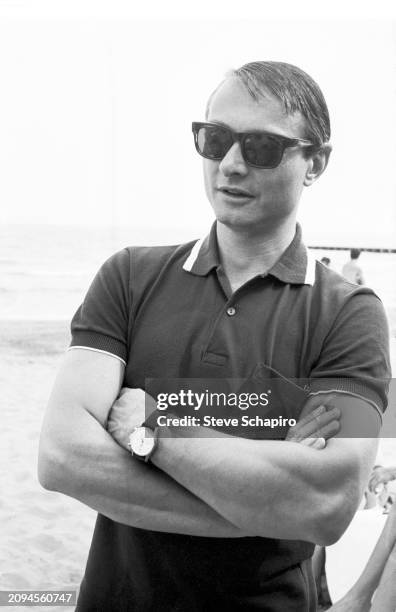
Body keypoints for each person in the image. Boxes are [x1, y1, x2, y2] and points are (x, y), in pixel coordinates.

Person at [38, 61, 391, 611]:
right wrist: (264, 506)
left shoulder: (349, 314)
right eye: (215, 139)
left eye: (261, 147)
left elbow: (326, 504)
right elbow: (61, 457)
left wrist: (152, 425)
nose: (229, 164)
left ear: (315, 162)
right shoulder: (129, 277)